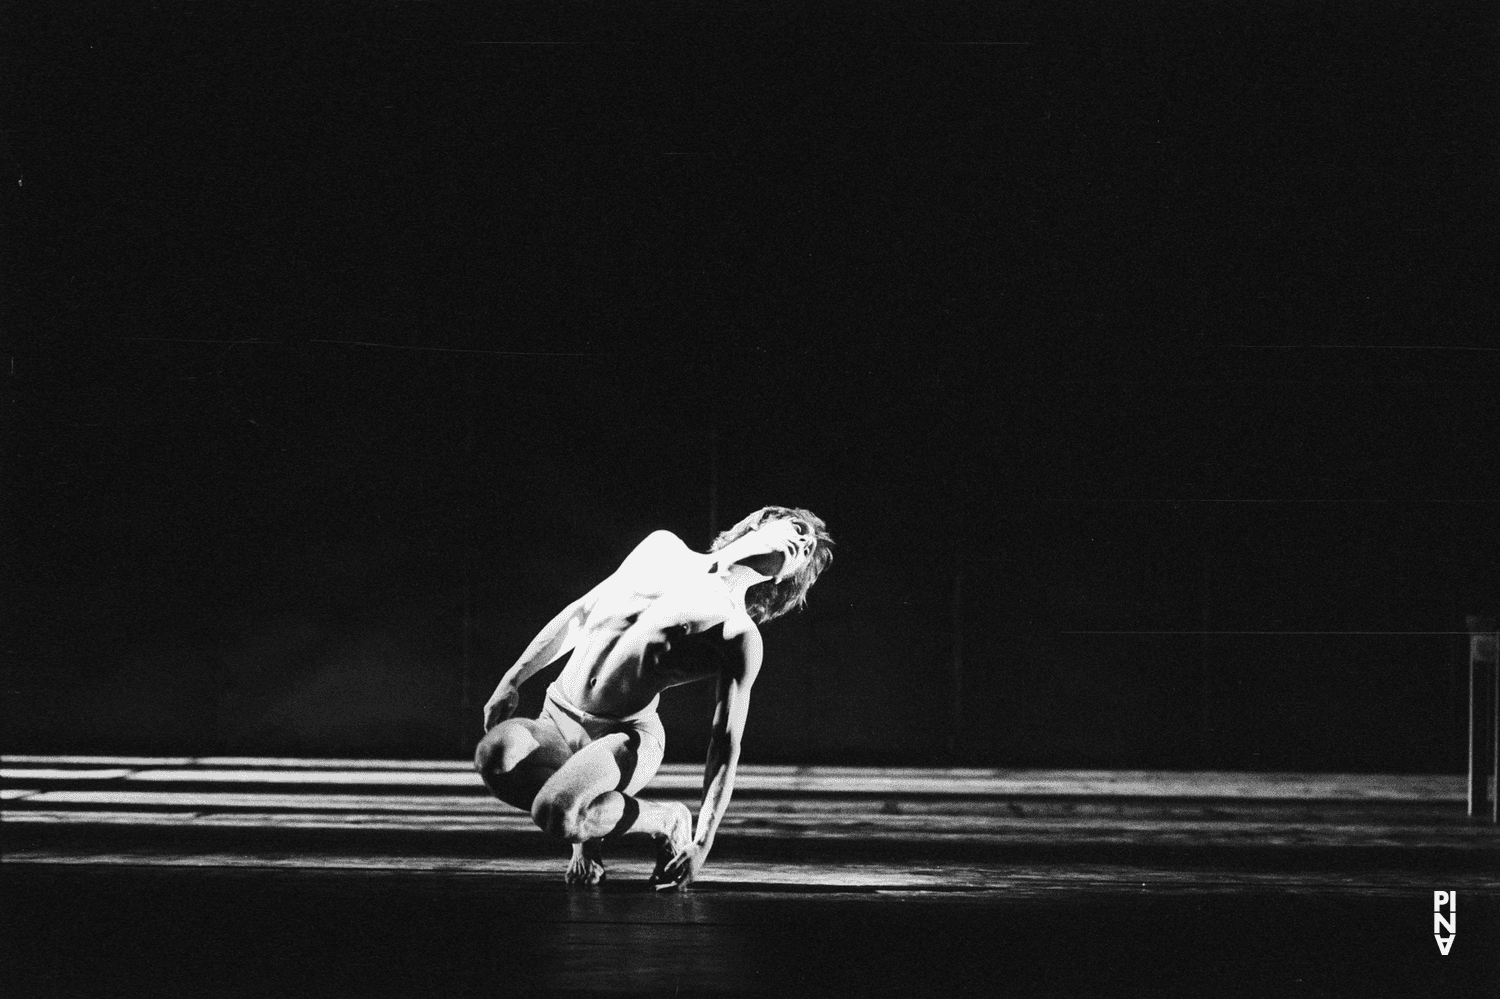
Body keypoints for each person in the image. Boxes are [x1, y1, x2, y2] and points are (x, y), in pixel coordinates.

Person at [474, 505, 833, 890]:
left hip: (623, 736)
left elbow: (725, 744)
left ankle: (666, 819)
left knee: (557, 815)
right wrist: (512, 679)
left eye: (808, 549)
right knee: (493, 756)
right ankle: (585, 819)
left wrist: (702, 842)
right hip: (556, 715)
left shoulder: (736, 631)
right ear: (762, 519)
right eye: (797, 527)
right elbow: (580, 613)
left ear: (786, 577)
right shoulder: (661, 548)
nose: (803, 540)